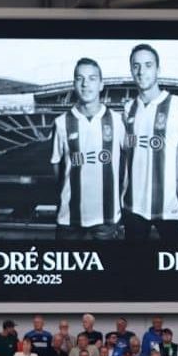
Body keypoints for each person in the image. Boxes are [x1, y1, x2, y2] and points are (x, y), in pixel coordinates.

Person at [120, 43, 178, 239]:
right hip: (132, 208)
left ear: (158, 69)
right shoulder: (127, 108)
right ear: (131, 70)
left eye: (148, 65)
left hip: (171, 210)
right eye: (136, 65)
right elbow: (127, 158)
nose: (141, 71)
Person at [50, 56, 128, 239]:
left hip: (108, 219)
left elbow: (128, 163)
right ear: (74, 84)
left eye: (92, 78)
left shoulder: (118, 121)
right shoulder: (61, 123)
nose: (85, 84)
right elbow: (57, 168)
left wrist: (122, 195)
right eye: (80, 78)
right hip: (68, 219)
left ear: (101, 84)